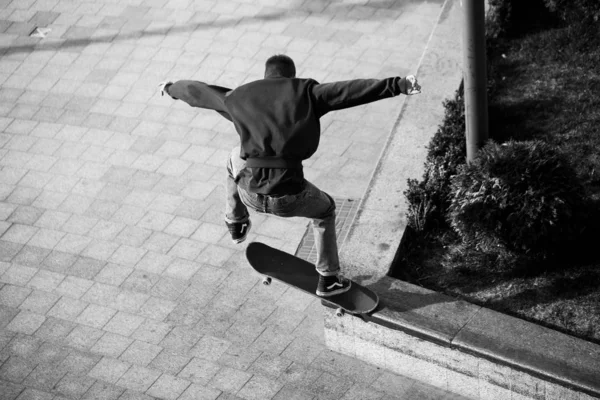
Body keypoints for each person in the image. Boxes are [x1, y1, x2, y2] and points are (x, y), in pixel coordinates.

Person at [159, 54, 421, 297]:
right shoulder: (306, 93)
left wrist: (171, 89)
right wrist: (397, 85)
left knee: (234, 157)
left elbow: (198, 92)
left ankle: (235, 221)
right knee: (325, 210)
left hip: (249, 193)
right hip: (290, 197)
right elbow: (350, 91)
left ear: (266, 76)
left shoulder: (239, 97)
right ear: (291, 76)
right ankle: (328, 279)